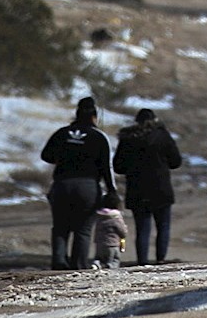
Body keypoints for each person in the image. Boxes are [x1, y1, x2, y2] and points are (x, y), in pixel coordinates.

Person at [40, 97, 117, 271]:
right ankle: (78, 265)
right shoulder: (99, 136)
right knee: (83, 230)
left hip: (62, 184)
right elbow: (106, 166)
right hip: (87, 187)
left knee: (60, 227)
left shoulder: (62, 133)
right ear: (94, 117)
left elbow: (46, 156)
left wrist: (64, 156)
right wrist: (112, 191)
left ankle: (58, 262)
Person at [111, 107, 182, 265]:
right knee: (163, 226)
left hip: (137, 189)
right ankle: (160, 259)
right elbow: (176, 161)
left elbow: (118, 166)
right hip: (161, 188)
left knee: (142, 229)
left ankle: (142, 261)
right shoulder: (162, 136)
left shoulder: (128, 139)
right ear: (154, 120)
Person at [91, 204, 127, 269]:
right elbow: (123, 232)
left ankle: (96, 265)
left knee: (99, 258)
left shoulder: (100, 219)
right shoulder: (116, 220)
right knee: (114, 260)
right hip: (112, 245)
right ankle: (110, 270)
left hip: (99, 244)